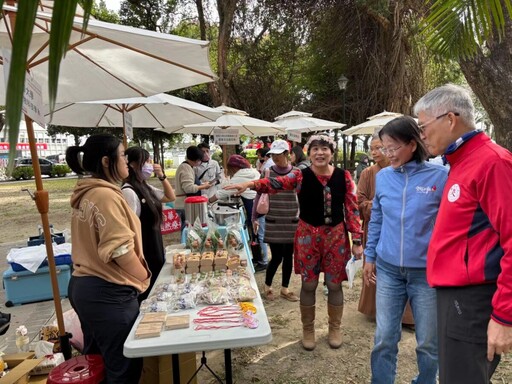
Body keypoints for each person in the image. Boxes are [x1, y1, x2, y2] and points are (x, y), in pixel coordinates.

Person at [414, 84, 512, 384]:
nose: (421, 135)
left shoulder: (492, 162)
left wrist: (504, 315)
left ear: (450, 119)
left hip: (472, 299)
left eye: (423, 126)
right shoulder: (461, 162)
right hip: (455, 294)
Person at [227, 135, 363, 351]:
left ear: (331, 153)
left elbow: (352, 208)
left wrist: (356, 239)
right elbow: (277, 182)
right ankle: (307, 329)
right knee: (309, 284)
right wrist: (251, 183)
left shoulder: (343, 176)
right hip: (307, 235)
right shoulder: (300, 175)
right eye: (315, 149)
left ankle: (334, 328)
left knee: (334, 284)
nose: (320, 153)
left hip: (336, 236)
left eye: (324, 149)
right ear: (309, 154)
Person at [363, 116, 448, 384]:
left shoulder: (440, 176)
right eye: (383, 148)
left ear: (412, 144)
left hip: (426, 274)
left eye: (393, 147)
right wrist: (369, 256)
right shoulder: (385, 177)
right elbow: (377, 217)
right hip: (388, 270)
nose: (387, 154)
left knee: (428, 342)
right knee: (384, 338)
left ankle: (424, 381)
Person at [66, 134, 150, 383]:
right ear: (106, 161)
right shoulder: (106, 196)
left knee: (98, 365)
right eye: (123, 154)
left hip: (85, 287)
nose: (127, 160)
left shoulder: (87, 192)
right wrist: (144, 275)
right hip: (107, 293)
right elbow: (119, 250)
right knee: (122, 368)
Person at [357, 133, 415, 328]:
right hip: (374, 227)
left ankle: (406, 316)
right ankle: (375, 309)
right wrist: (377, 205)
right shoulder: (368, 173)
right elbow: (358, 202)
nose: (375, 152)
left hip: (398, 231)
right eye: (372, 148)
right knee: (373, 269)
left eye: (379, 148)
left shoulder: (403, 171)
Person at [121, 147, 175, 301]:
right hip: (144, 252)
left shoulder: (145, 186)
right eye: (145, 161)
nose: (149, 165)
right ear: (132, 164)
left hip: (155, 247)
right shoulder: (129, 192)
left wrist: (162, 177)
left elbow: (169, 197)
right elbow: (129, 229)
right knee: (148, 295)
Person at [250, 139, 300, 292]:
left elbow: (302, 195)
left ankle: (285, 288)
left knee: (288, 257)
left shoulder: (297, 173)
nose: (275, 157)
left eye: (279, 154)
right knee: (277, 256)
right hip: (273, 219)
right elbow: (259, 195)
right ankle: (267, 286)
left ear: (286, 153)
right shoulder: (267, 172)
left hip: (292, 219)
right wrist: (254, 217)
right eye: (273, 154)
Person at [174, 145, 212, 225]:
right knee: (187, 229)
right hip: (184, 205)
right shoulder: (186, 168)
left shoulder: (187, 167)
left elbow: (189, 184)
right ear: (197, 160)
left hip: (185, 204)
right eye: (200, 160)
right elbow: (189, 188)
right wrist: (204, 186)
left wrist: (202, 184)